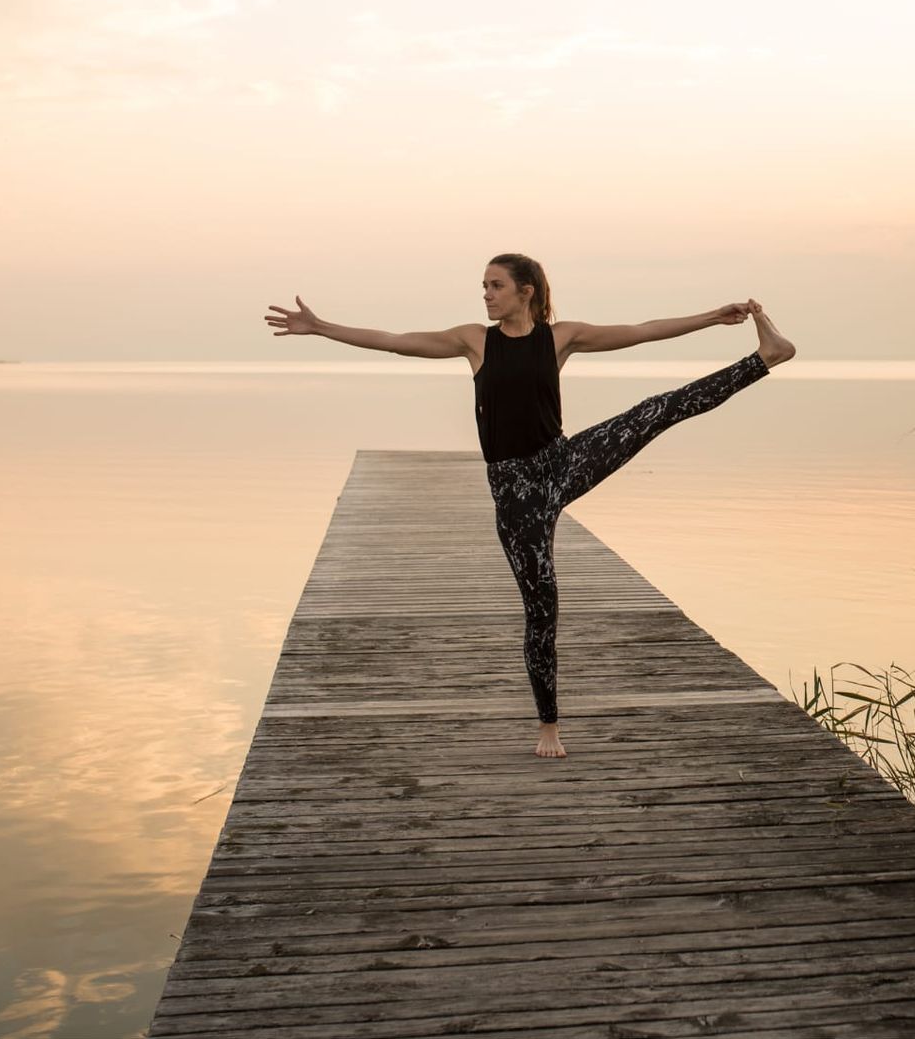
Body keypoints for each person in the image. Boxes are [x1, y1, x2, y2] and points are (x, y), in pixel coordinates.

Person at [263, 252, 795, 758]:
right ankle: (549, 723)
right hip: (514, 492)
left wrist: (711, 318)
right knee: (542, 605)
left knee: (656, 410)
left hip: (560, 463)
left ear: (526, 291)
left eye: (496, 286)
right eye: (484, 288)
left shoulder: (560, 339)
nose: (487, 296)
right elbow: (395, 341)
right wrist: (323, 326)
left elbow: (641, 331)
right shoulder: (474, 342)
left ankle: (764, 358)